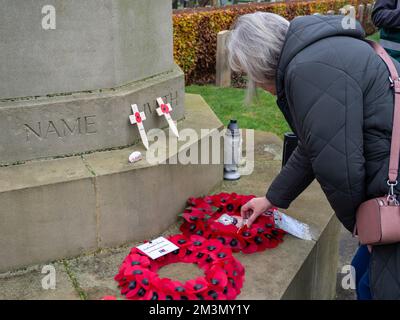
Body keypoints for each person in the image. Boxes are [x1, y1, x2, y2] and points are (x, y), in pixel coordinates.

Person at [227, 12, 400, 299]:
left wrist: (362, 228)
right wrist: (272, 198)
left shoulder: (308, 70)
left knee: (375, 286)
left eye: (249, 75)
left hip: (392, 191)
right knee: (362, 272)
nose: (254, 84)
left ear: (259, 64)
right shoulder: (318, 51)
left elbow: (339, 169)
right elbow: (315, 145)